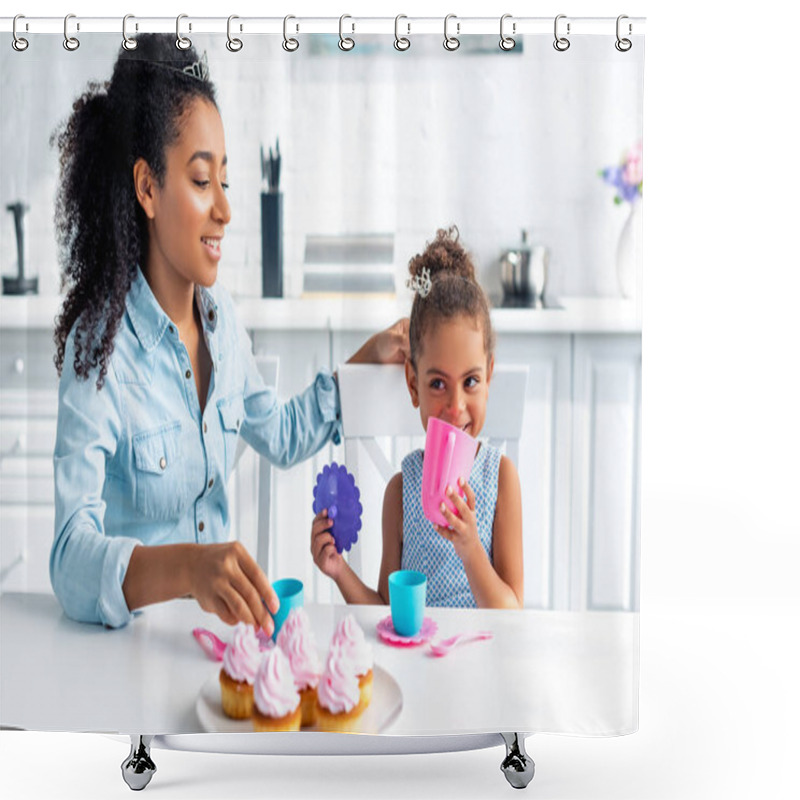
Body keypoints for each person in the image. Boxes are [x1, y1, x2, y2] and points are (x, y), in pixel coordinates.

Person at [50, 34, 408, 631]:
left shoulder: (221, 322)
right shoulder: (100, 349)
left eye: (225, 181)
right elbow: (69, 558)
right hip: (130, 661)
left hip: (220, 652)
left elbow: (284, 436)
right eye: (199, 180)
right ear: (146, 188)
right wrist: (189, 569)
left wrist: (365, 360)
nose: (225, 209)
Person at [311, 227, 523, 609]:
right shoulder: (401, 494)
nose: (456, 406)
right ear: (413, 384)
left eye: (471, 381)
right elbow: (386, 613)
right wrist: (339, 570)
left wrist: (471, 548)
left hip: (481, 664)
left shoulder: (501, 480)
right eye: (438, 383)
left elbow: (512, 614)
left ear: (489, 378)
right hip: (415, 666)